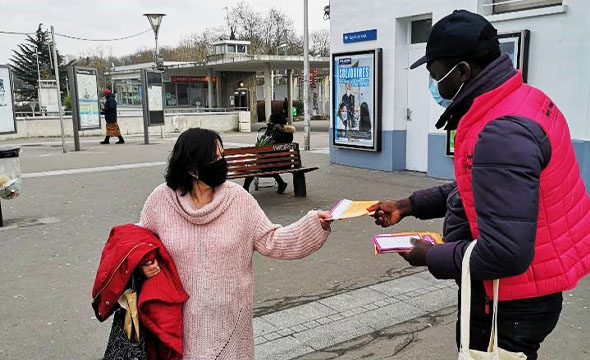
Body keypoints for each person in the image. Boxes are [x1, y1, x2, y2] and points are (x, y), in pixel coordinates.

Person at [368, 10, 590, 360]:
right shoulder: (523, 101)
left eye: (435, 75)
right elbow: (476, 187)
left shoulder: (501, 131)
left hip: (509, 302)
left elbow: (506, 252)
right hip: (531, 291)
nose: (433, 85)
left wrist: (431, 256)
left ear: (462, 72)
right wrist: (408, 205)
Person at [138, 128, 332, 359]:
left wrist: (314, 224)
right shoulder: (162, 200)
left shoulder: (238, 200)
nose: (222, 163)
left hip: (230, 321)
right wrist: (144, 264)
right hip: (178, 320)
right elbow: (140, 243)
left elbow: (272, 239)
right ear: (191, 166)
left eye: (222, 155)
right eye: (215, 157)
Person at [243, 113, 294, 194]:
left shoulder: (272, 133)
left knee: (253, 167)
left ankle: (245, 189)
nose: (268, 120)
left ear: (273, 121)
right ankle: (281, 183)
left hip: (271, 164)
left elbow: (263, 148)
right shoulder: (288, 133)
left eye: (269, 119)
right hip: (286, 163)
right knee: (269, 163)